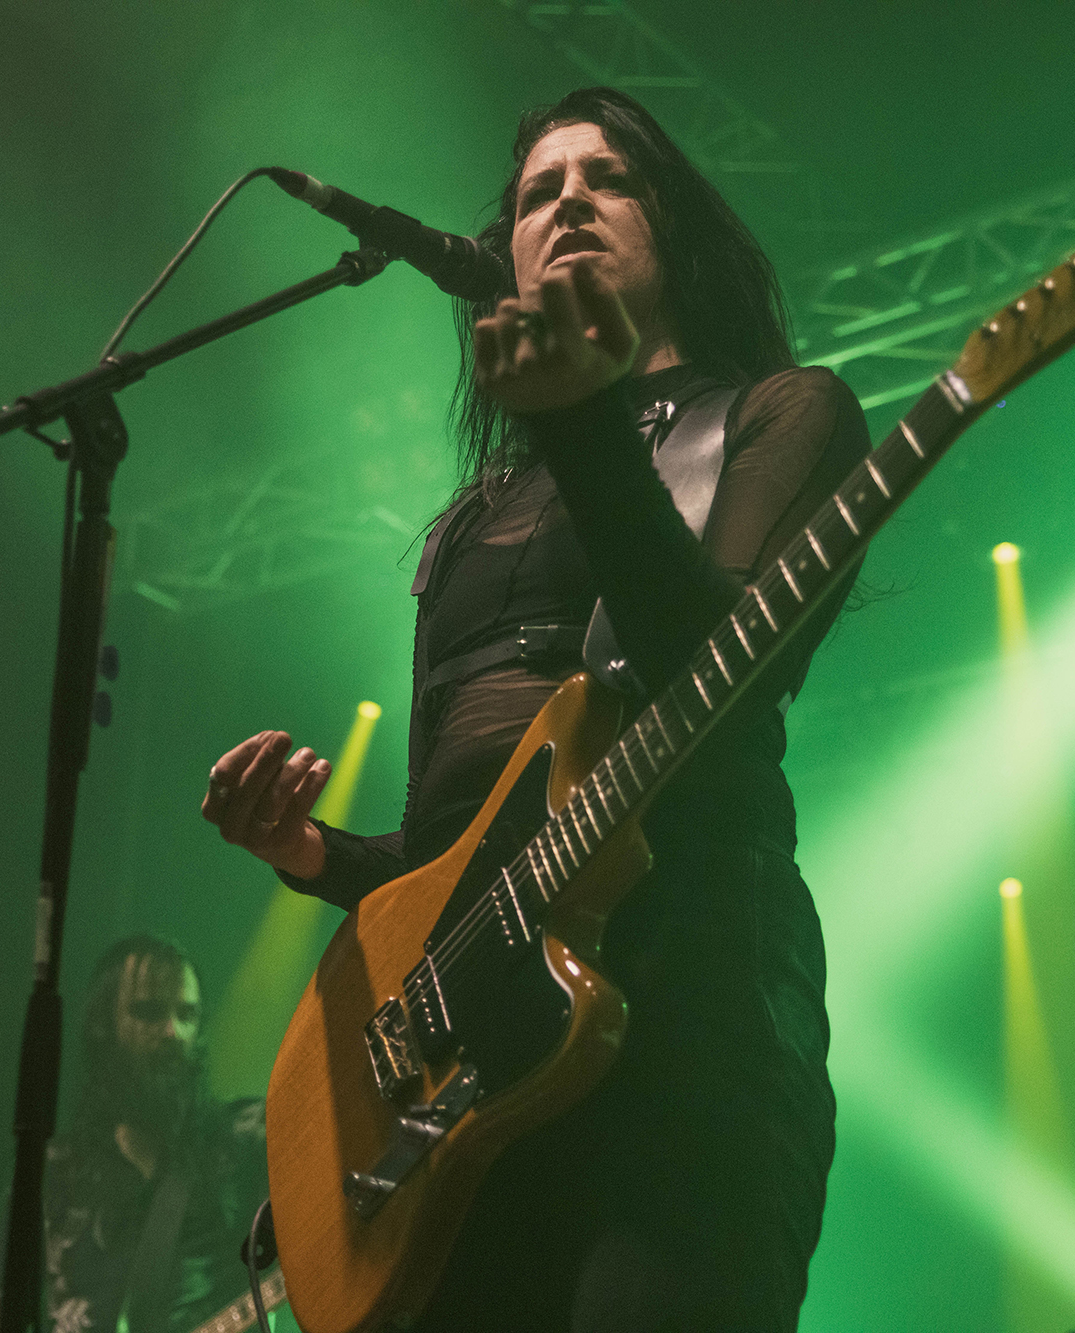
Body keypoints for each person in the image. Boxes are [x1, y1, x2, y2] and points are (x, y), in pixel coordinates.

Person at [200, 87, 872, 1332]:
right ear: (501, 256)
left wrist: (581, 427)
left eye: (606, 178)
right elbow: (458, 865)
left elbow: (714, 679)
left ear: (673, 231)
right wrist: (312, 853)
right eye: (534, 193)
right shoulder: (466, 525)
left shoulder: (783, 413)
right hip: (481, 1075)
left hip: (688, 1008)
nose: (565, 203)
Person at [0, 936, 269, 1333]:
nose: (173, 1032)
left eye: (187, 1014)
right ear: (104, 1027)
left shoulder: (241, 1144)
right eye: (149, 1012)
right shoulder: (56, 1169)